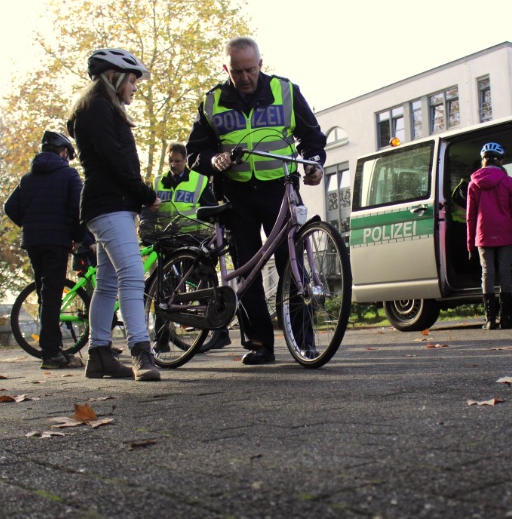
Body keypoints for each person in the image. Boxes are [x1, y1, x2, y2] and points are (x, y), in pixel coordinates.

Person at [186, 36, 327, 365]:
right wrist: (214, 160)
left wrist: (314, 162)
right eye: (238, 72)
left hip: (280, 188)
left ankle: (303, 342)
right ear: (226, 68)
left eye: (250, 69)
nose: (245, 77)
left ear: (261, 65)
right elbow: (195, 153)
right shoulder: (212, 102)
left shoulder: (286, 92)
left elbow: (312, 137)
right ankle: (259, 343)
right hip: (236, 194)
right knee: (245, 269)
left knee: (291, 266)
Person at [66, 47, 162, 381]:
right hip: (108, 203)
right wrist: (146, 194)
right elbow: (115, 159)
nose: (135, 87)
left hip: (110, 203)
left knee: (107, 283)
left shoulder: (100, 109)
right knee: (133, 274)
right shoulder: (97, 110)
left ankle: (99, 355)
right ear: (113, 76)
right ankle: (141, 351)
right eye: (133, 80)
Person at [4, 131, 87, 369]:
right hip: (57, 241)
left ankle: (52, 349)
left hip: (33, 241)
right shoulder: (69, 175)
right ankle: (51, 354)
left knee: (44, 295)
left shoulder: (28, 178)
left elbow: (10, 207)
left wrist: (30, 224)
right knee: (52, 296)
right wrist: (78, 237)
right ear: (63, 153)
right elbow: (77, 210)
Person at [151, 142, 230, 350]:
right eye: (171, 161)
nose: (174, 165)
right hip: (168, 240)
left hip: (195, 239)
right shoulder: (158, 182)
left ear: (185, 160)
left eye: (178, 161)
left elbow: (211, 208)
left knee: (204, 285)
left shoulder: (198, 181)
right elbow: (149, 209)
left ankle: (219, 332)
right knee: (166, 290)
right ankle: (161, 339)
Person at [466, 142, 512, 330]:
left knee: (487, 273)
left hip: (483, 235)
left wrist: (470, 245)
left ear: (483, 160)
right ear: (500, 161)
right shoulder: (508, 182)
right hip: (506, 233)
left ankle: (490, 319)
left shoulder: (473, 184)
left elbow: (470, 217)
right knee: (505, 272)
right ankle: (505, 318)